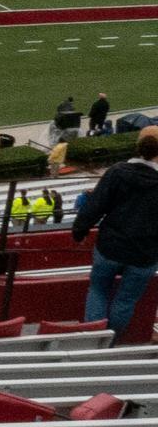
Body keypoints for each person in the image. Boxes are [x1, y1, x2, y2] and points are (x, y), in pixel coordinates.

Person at [74, 128, 158, 341]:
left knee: (98, 289)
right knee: (125, 300)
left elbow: (95, 205)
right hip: (144, 254)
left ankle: (93, 341)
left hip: (111, 246)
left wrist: (80, 231)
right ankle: (109, 344)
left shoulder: (118, 171)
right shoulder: (119, 171)